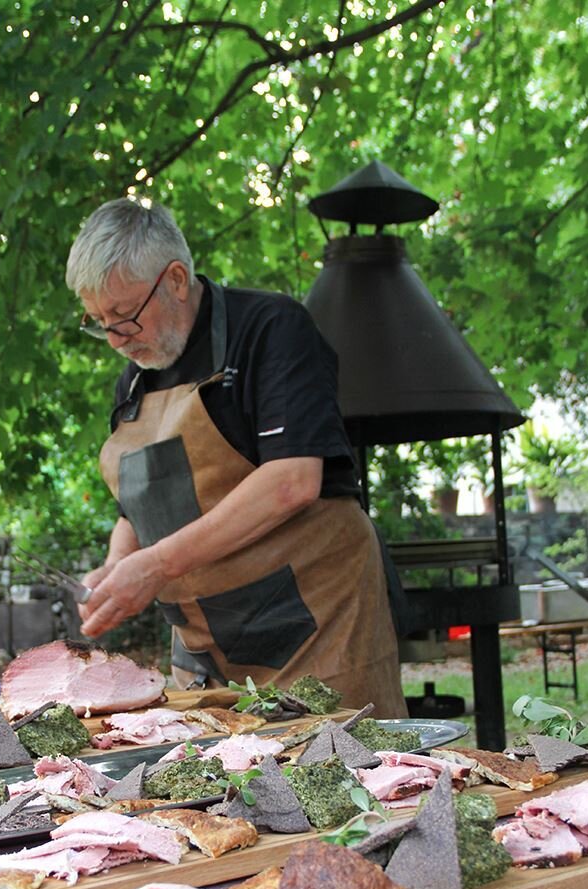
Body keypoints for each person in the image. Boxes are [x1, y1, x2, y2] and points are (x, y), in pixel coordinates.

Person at [65, 198, 407, 716]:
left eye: (125, 316)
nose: (115, 339)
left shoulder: (270, 329)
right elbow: (134, 506)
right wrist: (116, 568)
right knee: (214, 790)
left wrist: (155, 566)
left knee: (345, 780)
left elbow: (292, 479)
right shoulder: (135, 378)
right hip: (205, 648)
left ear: (176, 279)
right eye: (99, 322)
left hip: (319, 625)